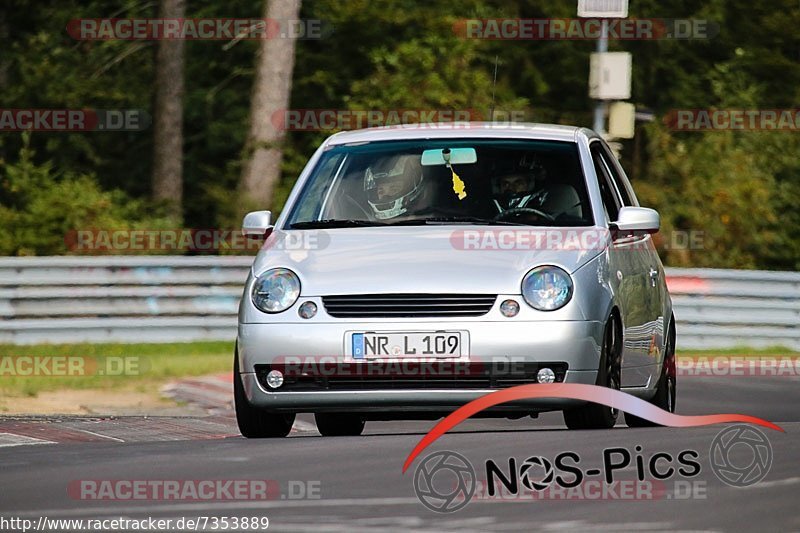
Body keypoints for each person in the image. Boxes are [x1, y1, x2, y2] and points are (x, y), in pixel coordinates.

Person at [363, 153, 426, 220]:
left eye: (394, 189)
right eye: (381, 191)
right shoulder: (371, 226)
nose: (386, 196)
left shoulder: (433, 220)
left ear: (409, 188)